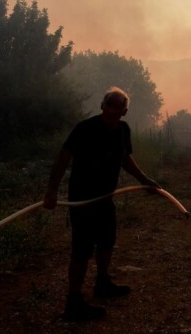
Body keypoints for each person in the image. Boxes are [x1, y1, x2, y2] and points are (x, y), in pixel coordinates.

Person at [43, 87, 161, 321]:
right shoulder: (84, 129)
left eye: (118, 106)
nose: (112, 109)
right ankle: (73, 303)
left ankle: (102, 283)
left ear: (124, 112)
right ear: (102, 106)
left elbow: (125, 159)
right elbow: (62, 160)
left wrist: (145, 180)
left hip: (105, 199)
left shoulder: (123, 130)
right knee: (82, 250)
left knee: (107, 242)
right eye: (109, 104)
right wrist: (51, 191)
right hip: (83, 201)